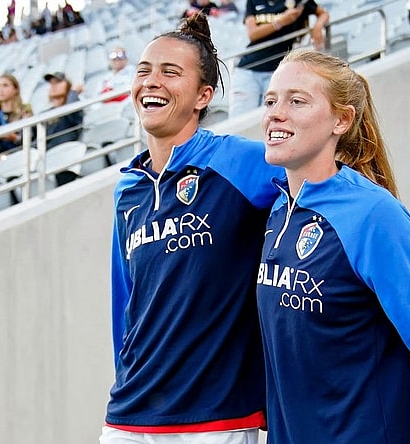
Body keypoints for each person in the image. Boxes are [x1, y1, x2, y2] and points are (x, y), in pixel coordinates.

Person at [256, 48, 410, 443]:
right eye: (270, 100)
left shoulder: (374, 215)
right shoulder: (277, 211)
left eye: (297, 101)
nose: (275, 112)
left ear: (342, 120)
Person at [101, 14, 284, 444]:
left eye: (170, 72)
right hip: (130, 414)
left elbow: (320, 182)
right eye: (144, 71)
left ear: (204, 95)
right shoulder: (127, 188)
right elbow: (124, 303)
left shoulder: (242, 163)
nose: (151, 82)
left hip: (216, 417)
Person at [229, 0, 329, 115]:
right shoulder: (253, 1)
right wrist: (280, 22)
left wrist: (318, 26)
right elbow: (253, 34)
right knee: (239, 119)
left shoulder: (298, 1)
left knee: (269, 117)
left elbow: (323, 13)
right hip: (248, 69)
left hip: (276, 71)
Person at [42, 72, 83, 149]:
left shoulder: (73, 105)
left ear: (67, 85)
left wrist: (74, 91)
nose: (53, 86)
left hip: (67, 151)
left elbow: (71, 108)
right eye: (51, 83)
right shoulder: (46, 113)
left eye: (58, 82)